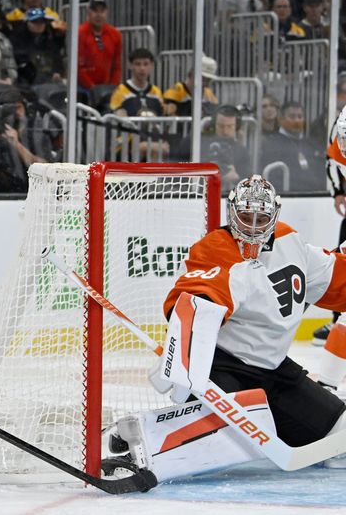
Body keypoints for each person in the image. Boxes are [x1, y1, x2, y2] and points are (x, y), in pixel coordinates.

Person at [103, 175, 346, 484]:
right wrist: (183, 356)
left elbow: (336, 278)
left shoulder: (290, 242)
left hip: (276, 370)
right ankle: (133, 437)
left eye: (262, 217)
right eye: (246, 216)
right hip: (225, 368)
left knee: (339, 435)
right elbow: (192, 299)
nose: (254, 225)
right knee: (234, 441)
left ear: (275, 215)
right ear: (232, 213)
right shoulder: (216, 248)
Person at [0, 89, 49, 193]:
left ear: (25, 109)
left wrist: (17, 144)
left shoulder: (36, 135)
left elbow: (45, 171)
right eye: (9, 110)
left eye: (18, 108)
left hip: (30, 194)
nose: (15, 114)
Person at [313, 105, 346, 344]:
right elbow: (332, 158)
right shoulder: (340, 128)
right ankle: (339, 319)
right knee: (341, 261)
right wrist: (338, 191)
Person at [175, 105, 251, 191]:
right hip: (195, 194)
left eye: (230, 126)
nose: (225, 131)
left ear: (236, 127)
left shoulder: (241, 150)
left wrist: (236, 178)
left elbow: (248, 183)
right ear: (213, 124)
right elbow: (177, 167)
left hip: (226, 197)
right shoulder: (195, 142)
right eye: (221, 126)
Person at [260, 100, 325, 193]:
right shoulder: (271, 144)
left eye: (300, 117)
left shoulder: (312, 145)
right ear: (281, 119)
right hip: (287, 197)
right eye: (292, 117)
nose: (297, 121)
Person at [77, 0, 122, 97]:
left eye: (102, 11)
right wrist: (92, 87)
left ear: (106, 13)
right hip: (83, 88)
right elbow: (77, 67)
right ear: (88, 13)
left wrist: (112, 87)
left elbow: (117, 65)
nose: (99, 15)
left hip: (107, 87)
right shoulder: (80, 33)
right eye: (95, 11)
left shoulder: (115, 34)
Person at [9, 7, 65, 87]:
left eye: (42, 22)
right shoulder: (17, 42)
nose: (39, 25)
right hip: (26, 84)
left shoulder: (50, 42)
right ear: (26, 23)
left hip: (50, 83)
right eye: (34, 22)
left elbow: (58, 61)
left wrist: (57, 72)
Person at [109, 48, 164, 117]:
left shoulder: (157, 92)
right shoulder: (120, 91)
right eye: (138, 64)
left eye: (146, 64)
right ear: (130, 65)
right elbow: (114, 116)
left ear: (152, 65)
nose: (142, 68)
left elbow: (163, 115)